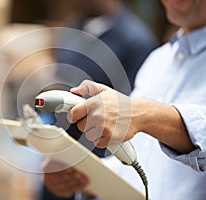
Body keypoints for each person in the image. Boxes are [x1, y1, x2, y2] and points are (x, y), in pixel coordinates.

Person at [42, 0, 206, 199]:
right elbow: (141, 161)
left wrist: (142, 113)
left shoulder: (137, 41)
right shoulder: (158, 61)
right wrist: (86, 177)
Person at [40, 0, 157, 199]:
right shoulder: (73, 28)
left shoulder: (137, 41)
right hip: (61, 153)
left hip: (102, 163)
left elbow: (135, 109)